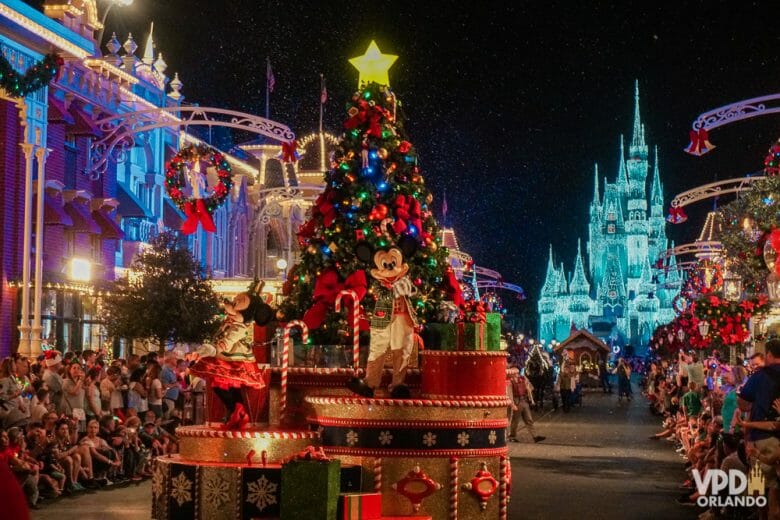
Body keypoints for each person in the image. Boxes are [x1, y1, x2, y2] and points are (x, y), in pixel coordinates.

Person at [738, 339, 780, 518]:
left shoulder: (760, 376)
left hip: (762, 439)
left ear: (769, 354)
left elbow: (743, 404)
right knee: (775, 492)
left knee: (758, 489)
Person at [508, 371, 545, 443]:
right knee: (515, 421)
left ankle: (535, 436)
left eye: (517, 372)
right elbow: (510, 394)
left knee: (529, 419)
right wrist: (512, 404)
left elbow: (531, 387)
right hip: (517, 401)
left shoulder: (523, 378)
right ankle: (512, 436)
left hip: (524, 400)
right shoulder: (510, 382)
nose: (516, 374)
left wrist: (528, 388)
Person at [62, 363, 87, 433]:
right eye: (74, 368)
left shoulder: (80, 382)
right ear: (69, 370)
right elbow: (75, 392)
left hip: (80, 410)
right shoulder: (66, 381)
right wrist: (81, 380)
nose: (76, 370)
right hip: (71, 411)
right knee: (72, 432)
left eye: (79, 368)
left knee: (80, 433)